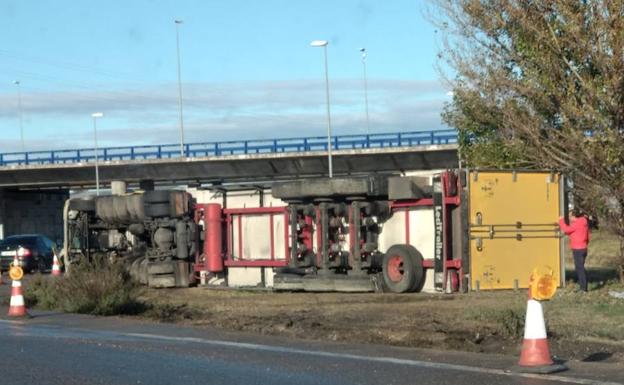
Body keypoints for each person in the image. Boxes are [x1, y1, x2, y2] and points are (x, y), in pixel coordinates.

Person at [559, 209, 591, 292]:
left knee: (579, 268)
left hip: (578, 249)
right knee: (580, 268)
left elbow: (566, 229)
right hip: (583, 248)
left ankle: (583, 288)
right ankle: (582, 286)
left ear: (574, 216)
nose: (569, 218)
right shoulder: (583, 222)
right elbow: (587, 235)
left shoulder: (577, 224)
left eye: (570, 216)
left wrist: (561, 220)